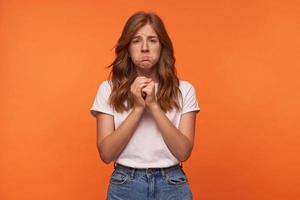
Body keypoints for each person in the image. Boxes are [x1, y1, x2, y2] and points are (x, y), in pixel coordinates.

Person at [90, 11, 200, 200]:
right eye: (136, 40)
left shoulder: (184, 89)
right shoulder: (108, 89)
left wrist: (154, 106)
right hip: (125, 184)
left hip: (172, 185)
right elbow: (106, 154)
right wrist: (138, 108)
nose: (144, 48)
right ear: (128, 48)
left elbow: (183, 152)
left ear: (162, 46)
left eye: (152, 40)